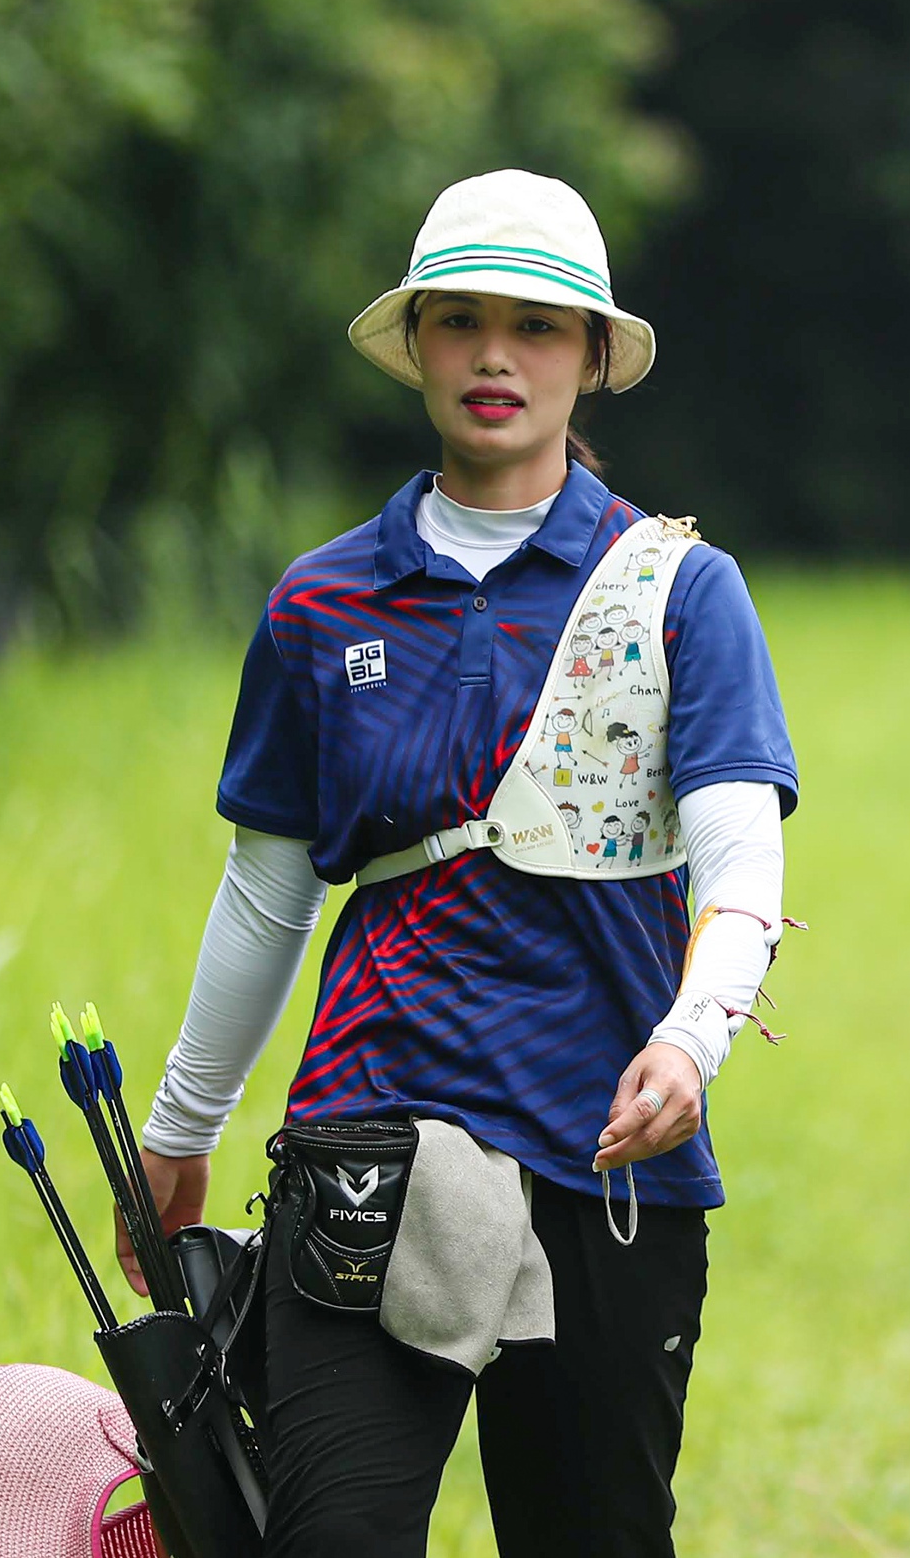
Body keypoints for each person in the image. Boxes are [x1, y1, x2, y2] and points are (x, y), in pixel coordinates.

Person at [132, 169, 799, 1558]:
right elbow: (269, 888)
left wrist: (695, 1039)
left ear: (595, 357)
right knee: (328, 1534)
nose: (497, 357)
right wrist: (181, 1127)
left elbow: (743, 864)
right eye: (462, 322)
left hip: (608, 1146)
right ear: (419, 343)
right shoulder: (320, 601)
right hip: (371, 1132)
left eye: (540, 328)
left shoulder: (682, 588)